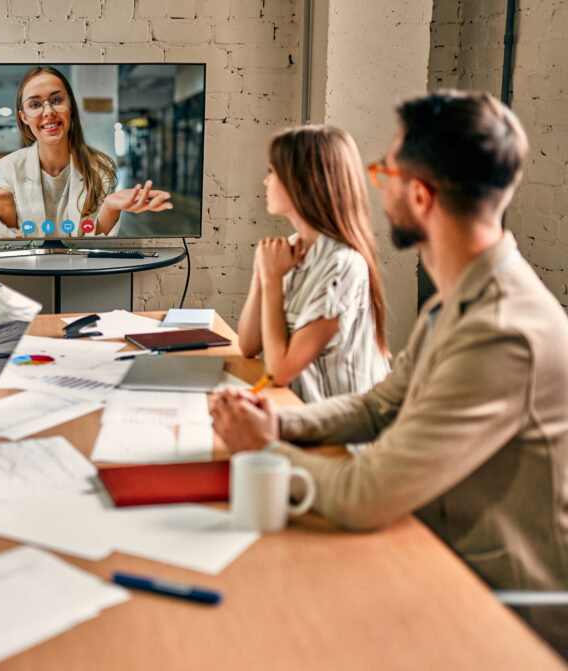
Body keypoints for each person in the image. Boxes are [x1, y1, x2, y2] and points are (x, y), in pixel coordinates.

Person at [212, 91, 568, 654]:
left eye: (385, 173)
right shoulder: (457, 300)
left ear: (421, 196)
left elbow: (367, 493)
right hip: (431, 544)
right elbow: (379, 405)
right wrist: (279, 426)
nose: (375, 186)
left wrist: (260, 448)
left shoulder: (503, 332)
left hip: (491, 601)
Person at [236, 125, 389, 403]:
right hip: (295, 412)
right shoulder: (293, 248)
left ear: (303, 182)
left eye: (273, 172)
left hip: (340, 436)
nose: (265, 181)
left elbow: (279, 372)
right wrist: (262, 274)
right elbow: (247, 345)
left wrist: (272, 283)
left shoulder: (342, 265)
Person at [0, 65, 173, 238]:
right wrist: (5, 204)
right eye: (35, 105)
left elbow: (96, 244)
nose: (48, 111)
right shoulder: (7, 167)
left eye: (57, 100)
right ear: (23, 117)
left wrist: (111, 207)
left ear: (70, 106)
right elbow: (8, 246)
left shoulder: (100, 167)